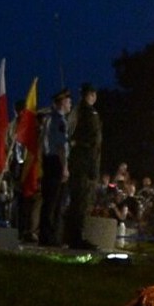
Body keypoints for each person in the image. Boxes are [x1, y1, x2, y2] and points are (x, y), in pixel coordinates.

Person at [63, 82, 102, 249]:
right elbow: (94, 141)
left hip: (75, 160)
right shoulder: (89, 113)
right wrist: (94, 168)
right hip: (84, 162)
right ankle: (76, 237)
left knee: (75, 200)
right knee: (81, 201)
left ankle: (69, 235)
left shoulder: (75, 112)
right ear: (91, 95)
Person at [36, 89, 71, 247]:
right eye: (69, 101)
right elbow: (61, 146)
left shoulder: (49, 119)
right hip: (56, 163)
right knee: (54, 202)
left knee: (49, 201)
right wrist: (65, 167)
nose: (70, 104)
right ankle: (50, 237)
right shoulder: (59, 121)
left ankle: (47, 235)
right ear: (62, 102)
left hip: (48, 161)